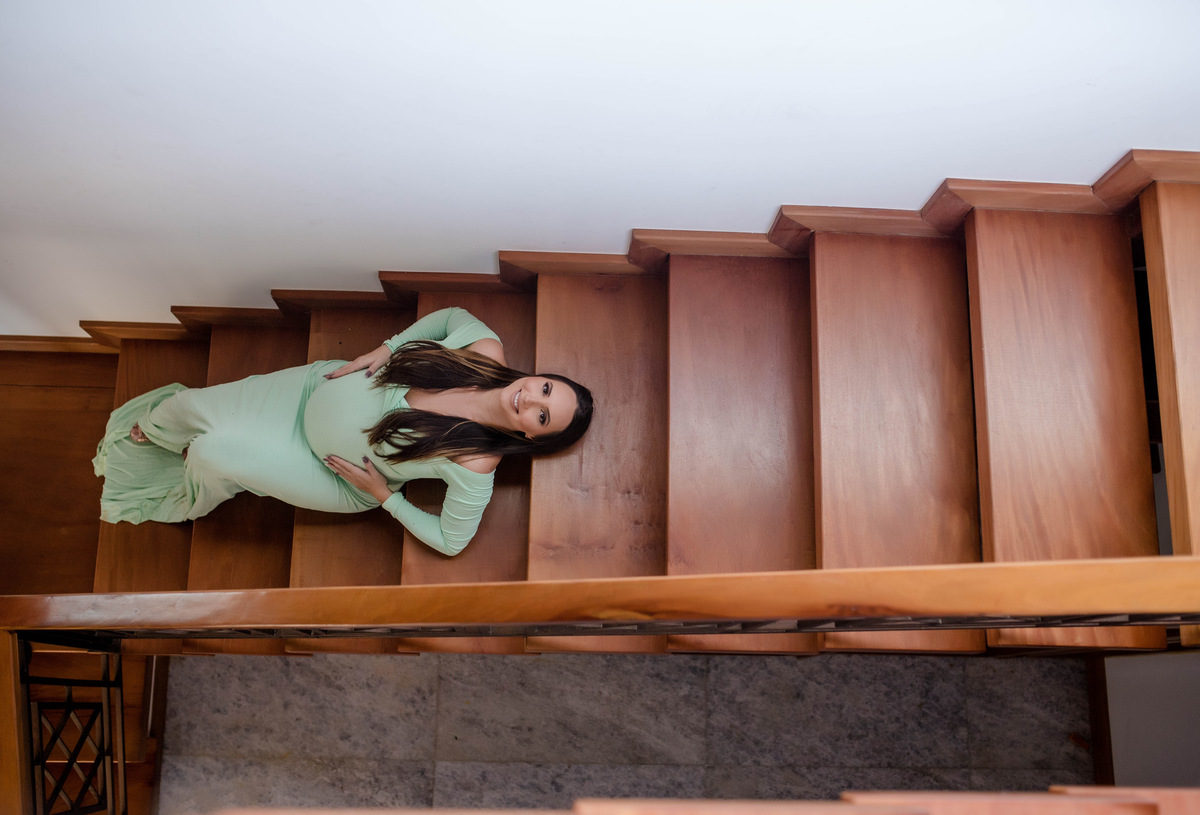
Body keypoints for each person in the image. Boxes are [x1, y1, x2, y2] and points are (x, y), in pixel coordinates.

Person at [93, 307, 593, 556]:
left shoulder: (475, 460)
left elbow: (451, 541)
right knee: (184, 407)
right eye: (546, 389)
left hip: (326, 471)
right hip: (311, 389)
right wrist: (388, 348)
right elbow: (451, 316)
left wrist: (385, 497)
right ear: (539, 377)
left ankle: (200, 480)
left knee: (212, 453)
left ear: (533, 437)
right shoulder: (483, 350)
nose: (532, 399)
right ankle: (157, 435)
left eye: (543, 416)